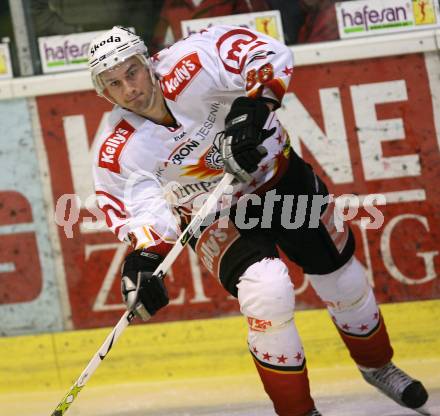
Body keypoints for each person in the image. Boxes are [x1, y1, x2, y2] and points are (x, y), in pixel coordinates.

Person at [87, 26, 429, 416]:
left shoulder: (193, 60)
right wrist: (144, 261)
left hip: (276, 175)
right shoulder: (117, 149)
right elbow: (141, 210)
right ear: (104, 94)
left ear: (148, 63)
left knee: (341, 273)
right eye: (114, 83)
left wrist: (255, 108)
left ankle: (377, 366)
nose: (129, 88)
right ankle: (298, 412)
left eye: (132, 72)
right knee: (267, 291)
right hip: (213, 212)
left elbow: (265, 53)